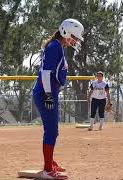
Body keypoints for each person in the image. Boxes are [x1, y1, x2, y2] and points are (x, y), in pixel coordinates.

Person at [32, 18, 84, 179]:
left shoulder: (57, 46)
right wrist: (48, 95)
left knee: (53, 130)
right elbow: (46, 74)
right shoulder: (55, 47)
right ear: (65, 32)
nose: (75, 41)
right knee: (51, 131)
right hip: (46, 93)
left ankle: (50, 162)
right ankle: (48, 169)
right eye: (74, 37)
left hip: (49, 92)